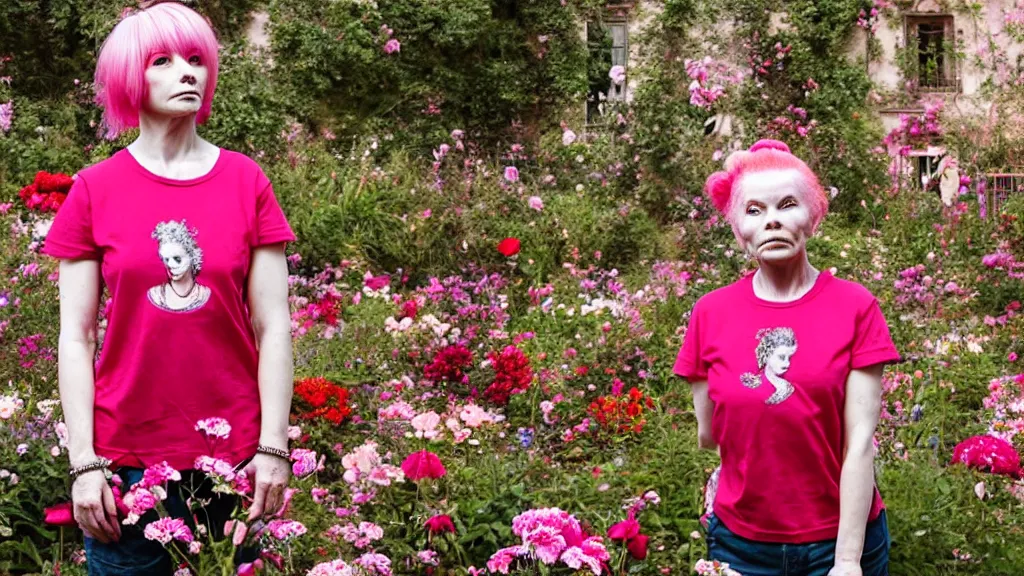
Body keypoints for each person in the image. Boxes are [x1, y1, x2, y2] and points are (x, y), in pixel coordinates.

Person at [41, 2, 296, 573]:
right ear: (132, 76)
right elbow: (76, 338)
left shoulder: (246, 181)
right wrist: (84, 462)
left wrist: (274, 448)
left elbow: (273, 325)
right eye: (164, 59)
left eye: (197, 59)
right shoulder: (94, 190)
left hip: (234, 462)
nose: (188, 71)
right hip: (124, 466)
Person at [675, 139, 902, 576]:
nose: (772, 220)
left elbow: (859, 445)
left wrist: (847, 561)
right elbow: (709, 435)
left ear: (813, 216)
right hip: (742, 545)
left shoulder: (855, 307)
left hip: (841, 541)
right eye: (754, 210)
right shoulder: (710, 313)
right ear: (739, 229)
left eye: (787, 204)